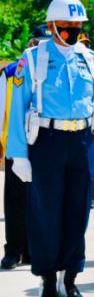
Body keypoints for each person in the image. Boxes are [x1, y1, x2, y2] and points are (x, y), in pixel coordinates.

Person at [6, 0, 94, 296]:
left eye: (77, 26)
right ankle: (47, 278)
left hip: (83, 141)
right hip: (47, 140)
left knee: (78, 212)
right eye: (65, 25)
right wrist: (18, 155)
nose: (72, 31)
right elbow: (17, 106)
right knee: (45, 212)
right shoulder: (33, 58)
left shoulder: (90, 59)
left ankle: (71, 277)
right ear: (51, 25)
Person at [0, 25, 50, 270]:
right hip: (16, 145)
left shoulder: (54, 71)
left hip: (45, 146)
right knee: (15, 201)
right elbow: (1, 110)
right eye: (37, 43)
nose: (40, 47)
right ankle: (13, 251)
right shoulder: (11, 72)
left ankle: (33, 250)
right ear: (30, 43)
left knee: (40, 202)